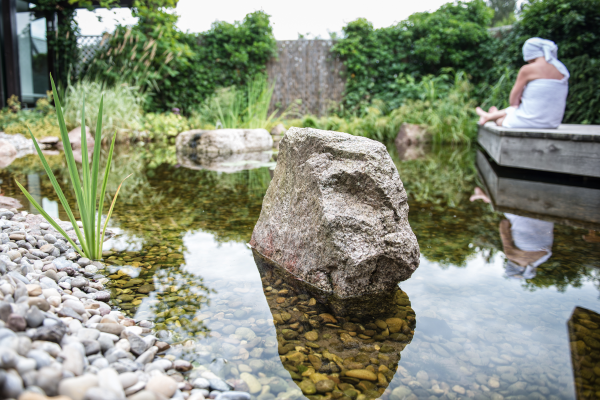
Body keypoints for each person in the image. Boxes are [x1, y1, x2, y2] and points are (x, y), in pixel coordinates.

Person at [476, 38, 570, 129]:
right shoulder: (562, 70)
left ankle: (491, 117)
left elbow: (513, 103)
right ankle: (489, 116)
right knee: (518, 110)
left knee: (502, 120)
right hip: (552, 123)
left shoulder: (527, 70)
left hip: (529, 121)